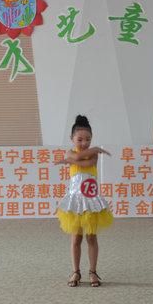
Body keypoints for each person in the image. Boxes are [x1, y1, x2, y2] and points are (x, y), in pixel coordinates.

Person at [54, 115, 114, 287]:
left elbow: (87, 164)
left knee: (91, 237)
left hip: (91, 202)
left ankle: (93, 271)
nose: (84, 143)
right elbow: (77, 157)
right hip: (75, 202)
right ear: (71, 139)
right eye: (79, 139)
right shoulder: (71, 152)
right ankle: (76, 271)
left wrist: (72, 160)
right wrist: (94, 149)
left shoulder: (93, 156)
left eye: (88, 140)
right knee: (76, 238)